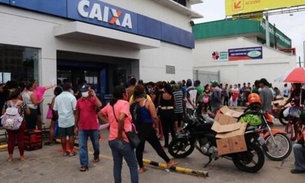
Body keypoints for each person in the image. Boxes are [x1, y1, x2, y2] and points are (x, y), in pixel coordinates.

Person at [132, 84, 178, 173]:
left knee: (139, 148)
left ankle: (141, 167)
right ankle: (168, 161)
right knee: (157, 145)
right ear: (144, 92)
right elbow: (154, 117)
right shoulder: (147, 102)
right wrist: (156, 127)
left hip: (138, 128)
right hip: (148, 128)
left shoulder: (132, 104)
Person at [98, 85, 139, 183]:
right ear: (123, 94)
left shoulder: (110, 105)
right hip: (123, 139)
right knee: (133, 166)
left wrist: (110, 122)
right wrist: (120, 134)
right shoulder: (125, 103)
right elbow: (121, 118)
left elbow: (100, 114)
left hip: (112, 139)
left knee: (117, 165)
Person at [75, 85, 102, 171]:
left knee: (96, 145)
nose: (83, 93)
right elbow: (77, 113)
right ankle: (84, 164)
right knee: (82, 146)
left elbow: (100, 105)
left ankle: (96, 155)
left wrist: (94, 95)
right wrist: (76, 125)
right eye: (82, 91)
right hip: (82, 127)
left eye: (85, 91)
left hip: (93, 127)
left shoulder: (93, 99)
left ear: (89, 91)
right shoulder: (79, 101)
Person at [2, 88, 30, 161]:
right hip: (20, 123)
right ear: (18, 95)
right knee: (20, 139)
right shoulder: (22, 103)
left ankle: (10, 157)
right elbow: (28, 112)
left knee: (11, 140)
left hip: (9, 123)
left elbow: (3, 113)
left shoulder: (6, 103)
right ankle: (21, 156)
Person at [53, 81, 77, 156]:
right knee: (71, 135)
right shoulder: (72, 97)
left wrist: (57, 117)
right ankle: (71, 151)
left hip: (61, 119)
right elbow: (75, 110)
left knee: (62, 136)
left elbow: (55, 109)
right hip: (70, 119)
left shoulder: (58, 97)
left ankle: (64, 151)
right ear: (69, 89)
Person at [158, 83, 176, 148]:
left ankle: (166, 144)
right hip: (171, 111)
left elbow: (159, 104)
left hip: (163, 112)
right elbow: (175, 105)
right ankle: (174, 141)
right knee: (172, 128)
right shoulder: (172, 95)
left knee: (165, 128)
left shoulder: (161, 95)